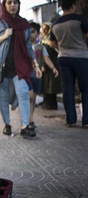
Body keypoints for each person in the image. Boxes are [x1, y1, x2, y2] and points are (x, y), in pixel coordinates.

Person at [0, 0, 41, 138]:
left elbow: (29, 48)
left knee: (24, 93)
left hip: (20, 66)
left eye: (15, 2)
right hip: (1, 66)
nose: (12, 5)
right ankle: (7, 124)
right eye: (9, 2)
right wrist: (4, 36)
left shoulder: (24, 25)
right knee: (4, 97)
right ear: (4, 5)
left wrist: (35, 66)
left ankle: (25, 126)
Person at [49, 0, 88, 128]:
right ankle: (86, 120)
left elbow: (51, 44)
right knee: (85, 89)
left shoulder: (55, 24)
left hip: (63, 58)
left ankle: (71, 119)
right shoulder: (79, 19)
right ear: (73, 5)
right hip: (81, 56)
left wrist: (61, 46)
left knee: (68, 89)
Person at [28, 22, 58, 130]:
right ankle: (27, 119)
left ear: (37, 33)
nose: (31, 34)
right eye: (29, 31)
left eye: (33, 32)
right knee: (30, 96)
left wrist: (53, 68)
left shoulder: (40, 46)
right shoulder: (23, 46)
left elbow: (46, 58)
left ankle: (30, 119)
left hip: (36, 75)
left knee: (33, 98)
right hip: (26, 76)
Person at [40, 22, 62, 110]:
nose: (44, 31)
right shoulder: (46, 39)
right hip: (51, 64)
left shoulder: (50, 41)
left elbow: (47, 55)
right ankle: (48, 101)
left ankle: (50, 103)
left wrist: (44, 65)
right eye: (43, 29)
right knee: (49, 85)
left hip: (50, 65)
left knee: (50, 85)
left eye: (46, 29)